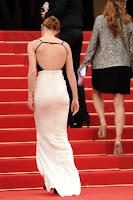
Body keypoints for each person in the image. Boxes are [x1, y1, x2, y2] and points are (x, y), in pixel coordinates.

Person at [27, 16, 81, 197]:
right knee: (60, 136)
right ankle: (66, 179)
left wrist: (29, 95)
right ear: (57, 30)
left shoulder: (34, 44)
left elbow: (33, 71)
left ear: (43, 27)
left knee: (43, 135)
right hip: (60, 90)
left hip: (43, 88)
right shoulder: (65, 46)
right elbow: (71, 74)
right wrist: (75, 98)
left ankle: (51, 177)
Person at [78, 0, 133, 156]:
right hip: (122, 66)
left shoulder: (100, 20)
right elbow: (132, 49)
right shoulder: (128, 22)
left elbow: (92, 45)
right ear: (124, 4)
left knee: (96, 92)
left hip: (101, 66)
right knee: (119, 104)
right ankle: (118, 138)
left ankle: (103, 122)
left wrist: (84, 65)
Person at [41, 0, 90, 128]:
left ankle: (70, 116)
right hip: (77, 31)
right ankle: (79, 115)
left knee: (63, 74)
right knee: (73, 74)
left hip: (66, 31)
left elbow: (60, 10)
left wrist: (46, 15)